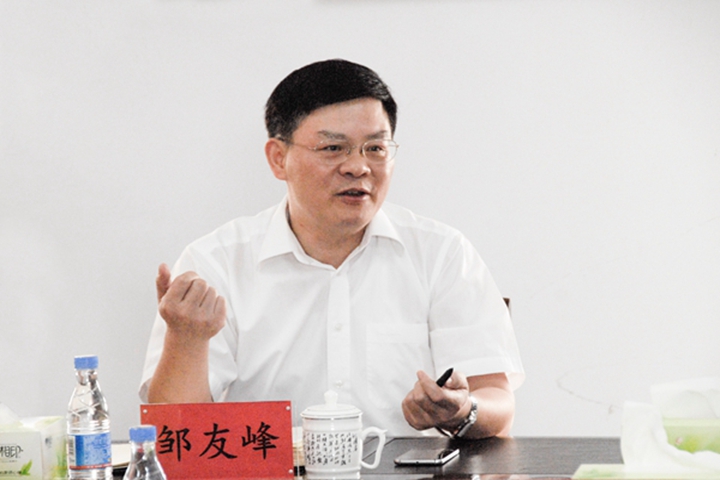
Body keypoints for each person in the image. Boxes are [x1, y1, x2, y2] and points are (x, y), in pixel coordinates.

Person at [139, 59, 524, 438]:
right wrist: (186, 340)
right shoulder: (217, 263)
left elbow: (497, 402)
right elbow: (172, 434)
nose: (358, 167)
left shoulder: (441, 254)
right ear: (278, 158)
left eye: (376, 148)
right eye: (333, 148)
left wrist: (463, 410)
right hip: (276, 469)